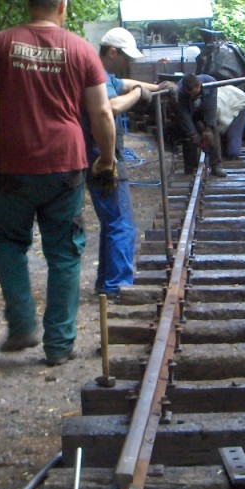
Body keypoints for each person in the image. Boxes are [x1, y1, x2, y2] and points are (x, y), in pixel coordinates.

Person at [0, 0, 116, 366]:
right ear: (63, 6)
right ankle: (59, 345)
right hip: (66, 165)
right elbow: (101, 110)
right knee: (64, 254)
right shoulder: (81, 49)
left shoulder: (0, 44)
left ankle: (21, 324)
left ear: (29, 3)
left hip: (12, 164)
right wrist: (107, 159)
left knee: (6, 243)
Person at [85, 27, 173, 298]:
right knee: (122, 223)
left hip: (99, 152)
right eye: (126, 57)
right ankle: (119, 287)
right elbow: (111, 106)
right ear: (112, 52)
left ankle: (106, 283)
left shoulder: (103, 75)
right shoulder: (96, 75)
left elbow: (123, 84)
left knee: (112, 221)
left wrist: (158, 88)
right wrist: (138, 95)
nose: (129, 63)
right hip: (103, 155)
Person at [176, 73, 227, 177]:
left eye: (194, 93)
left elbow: (211, 107)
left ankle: (216, 166)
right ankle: (189, 167)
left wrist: (208, 127)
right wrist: (193, 133)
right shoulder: (180, 90)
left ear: (199, 85)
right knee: (188, 137)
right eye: (190, 94)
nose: (192, 96)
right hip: (190, 112)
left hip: (205, 110)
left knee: (214, 133)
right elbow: (184, 113)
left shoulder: (210, 82)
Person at [215, 83, 245, 159]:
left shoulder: (218, 109)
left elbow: (225, 123)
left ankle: (234, 153)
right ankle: (223, 153)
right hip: (228, 98)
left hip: (240, 100)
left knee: (234, 131)